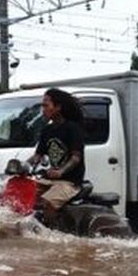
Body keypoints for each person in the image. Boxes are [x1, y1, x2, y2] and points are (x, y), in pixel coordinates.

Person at [29, 87, 86, 225]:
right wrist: (21, 166)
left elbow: (76, 158)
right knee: (25, 194)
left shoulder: (73, 128)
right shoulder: (47, 130)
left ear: (58, 107)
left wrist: (61, 171)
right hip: (49, 180)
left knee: (48, 202)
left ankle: (50, 234)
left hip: (70, 182)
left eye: (46, 105)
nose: (43, 109)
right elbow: (37, 156)